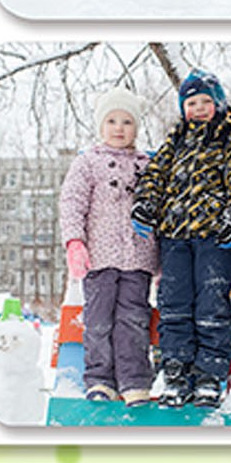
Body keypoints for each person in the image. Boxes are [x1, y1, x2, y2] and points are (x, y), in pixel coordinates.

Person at [131, 71, 231, 408]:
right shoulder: (175, 139)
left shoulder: (230, 137)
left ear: (218, 104)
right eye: (191, 103)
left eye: (205, 102)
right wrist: (145, 204)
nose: (198, 109)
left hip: (214, 235)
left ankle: (210, 373)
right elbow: (155, 175)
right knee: (173, 302)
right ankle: (176, 370)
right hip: (175, 235)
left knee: (211, 300)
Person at [58, 86, 157, 402]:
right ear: (101, 126)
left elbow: (160, 207)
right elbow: (72, 202)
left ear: (136, 128)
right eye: (112, 121)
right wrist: (75, 242)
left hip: (137, 259)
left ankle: (134, 382)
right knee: (99, 321)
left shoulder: (147, 166)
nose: (119, 128)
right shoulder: (88, 163)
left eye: (126, 122)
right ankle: (100, 379)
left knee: (133, 321)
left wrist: (163, 254)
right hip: (98, 259)